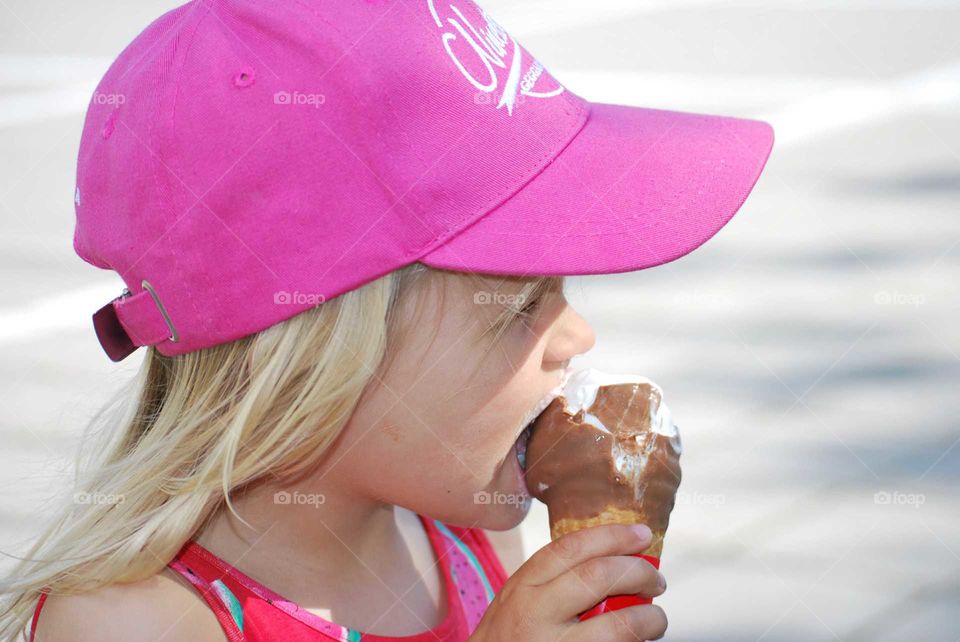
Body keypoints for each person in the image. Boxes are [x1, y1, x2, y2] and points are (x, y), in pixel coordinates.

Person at [0, 0, 774, 640]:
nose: (577, 338)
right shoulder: (132, 623)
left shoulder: (466, 535)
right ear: (318, 350)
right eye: (516, 309)